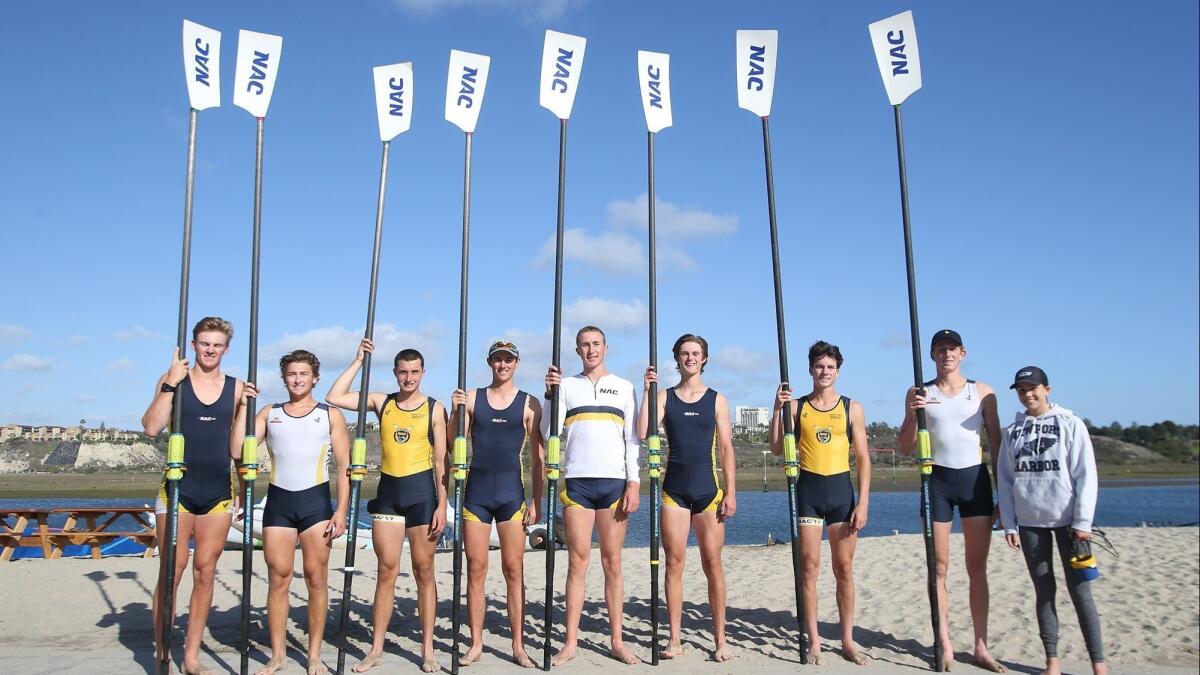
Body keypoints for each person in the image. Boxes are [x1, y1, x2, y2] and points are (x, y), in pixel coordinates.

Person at [141, 316, 257, 675]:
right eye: (204, 344)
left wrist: (245, 409)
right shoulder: (174, 378)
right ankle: (163, 651)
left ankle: (191, 656)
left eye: (217, 345)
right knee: (172, 570)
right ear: (194, 345)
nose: (210, 350)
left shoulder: (237, 387)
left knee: (206, 572)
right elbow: (151, 427)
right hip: (178, 488)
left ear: (226, 349)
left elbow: (237, 449)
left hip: (219, 492)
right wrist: (169, 386)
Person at [326, 339, 448, 673]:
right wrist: (358, 361)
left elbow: (441, 462)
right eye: (403, 372)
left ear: (422, 372)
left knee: (425, 572)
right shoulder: (383, 402)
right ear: (395, 373)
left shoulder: (435, 408)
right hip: (389, 495)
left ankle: (427, 649)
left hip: (424, 496)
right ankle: (376, 648)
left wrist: (443, 505)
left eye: (414, 372)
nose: (409, 378)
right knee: (386, 572)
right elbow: (333, 397)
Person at [899, 329, 1005, 672]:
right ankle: (943, 641)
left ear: (962, 353)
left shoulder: (983, 393)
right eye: (940, 349)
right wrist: (912, 416)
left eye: (952, 349)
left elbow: (997, 445)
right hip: (938, 482)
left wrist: (1005, 495)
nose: (946, 354)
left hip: (975, 481)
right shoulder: (920, 393)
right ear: (932, 355)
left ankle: (980, 646)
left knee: (977, 568)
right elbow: (904, 447)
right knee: (939, 568)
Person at [997, 366, 1106, 675]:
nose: (1027, 394)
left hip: (1070, 523)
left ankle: (1099, 664)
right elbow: (1004, 480)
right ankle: (1052, 663)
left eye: (1032, 387)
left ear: (1047, 389)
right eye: (1021, 389)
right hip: (1031, 524)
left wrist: (1083, 522)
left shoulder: (1070, 424)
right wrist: (1009, 523)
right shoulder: (1012, 432)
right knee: (1044, 592)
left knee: (1080, 592)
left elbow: (1086, 474)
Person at [543, 325, 641, 665]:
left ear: (606, 347)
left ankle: (617, 639)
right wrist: (549, 395)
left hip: (614, 482)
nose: (591, 350)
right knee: (577, 562)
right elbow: (549, 431)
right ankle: (570, 641)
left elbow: (632, 440)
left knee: (612, 563)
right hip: (578, 482)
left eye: (596, 343)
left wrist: (634, 482)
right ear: (577, 351)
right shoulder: (566, 386)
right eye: (584, 345)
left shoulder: (624, 387)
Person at [637, 333, 736, 662]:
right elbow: (642, 432)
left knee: (713, 565)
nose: (690, 358)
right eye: (684, 353)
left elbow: (725, 448)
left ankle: (720, 638)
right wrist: (648, 391)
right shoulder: (665, 397)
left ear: (704, 358)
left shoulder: (717, 400)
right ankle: (675, 637)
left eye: (695, 353)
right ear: (677, 358)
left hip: (709, 491)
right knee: (674, 565)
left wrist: (731, 492)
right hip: (674, 491)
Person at [771, 341, 871, 665]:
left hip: (842, 495)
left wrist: (864, 502)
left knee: (844, 569)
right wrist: (777, 408)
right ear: (811, 369)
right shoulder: (798, 407)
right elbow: (776, 448)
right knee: (809, 569)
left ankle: (847, 640)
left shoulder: (851, 407)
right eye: (819, 366)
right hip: (809, 494)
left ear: (837, 371)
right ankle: (814, 640)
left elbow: (865, 460)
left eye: (830, 367)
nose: (824, 372)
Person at [449, 340, 545, 668]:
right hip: (476, 495)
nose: (502, 365)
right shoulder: (473, 398)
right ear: (490, 363)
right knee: (476, 569)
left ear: (516, 363)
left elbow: (537, 457)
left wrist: (537, 500)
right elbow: (452, 441)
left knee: (513, 570)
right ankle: (476, 642)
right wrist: (454, 411)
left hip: (511, 496)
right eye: (497, 360)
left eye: (508, 360)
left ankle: (518, 645)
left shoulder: (530, 403)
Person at [254, 350, 350, 675]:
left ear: (315, 378)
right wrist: (243, 406)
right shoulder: (270, 413)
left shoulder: (330, 415)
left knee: (316, 579)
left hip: (316, 506)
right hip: (278, 504)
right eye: (292, 374)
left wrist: (342, 511)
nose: (297, 380)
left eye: (303, 374)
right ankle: (278, 654)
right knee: (278, 578)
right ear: (284, 378)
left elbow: (345, 468)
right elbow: (241, 445)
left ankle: (313, 655)